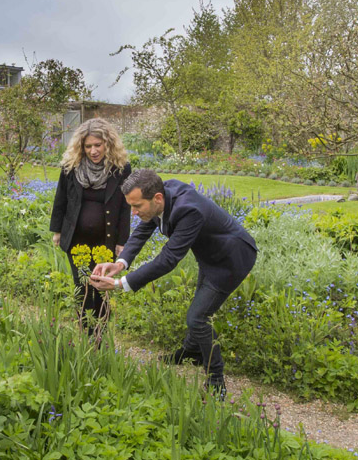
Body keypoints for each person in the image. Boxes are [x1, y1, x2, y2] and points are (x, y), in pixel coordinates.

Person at [90, 169, 257, 398]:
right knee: (200, 311)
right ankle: (191, 352)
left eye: (137, 206)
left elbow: (168, 260)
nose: (133, 212)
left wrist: (120, 284)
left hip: (231, 260)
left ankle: (216, 378)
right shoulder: (162, 193)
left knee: (198, 318)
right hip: (210, 256)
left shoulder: (189, 210)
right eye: (131, 206)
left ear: (157, 198)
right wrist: (120, 264)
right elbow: (143, 230)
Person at [49, 118, 132, 334]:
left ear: (108, 144)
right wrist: (57, 231)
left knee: (101, 285)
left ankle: (100, 334)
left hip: (106, 240)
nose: (93, 151)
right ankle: (85, 331)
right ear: (81, 147)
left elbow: (125, 207)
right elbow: (61, 200)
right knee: (82, 284)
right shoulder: (71, 167)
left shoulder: (121, 169)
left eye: (98, 145)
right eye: (88, 146)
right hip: (77, 238)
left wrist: (122, 242)